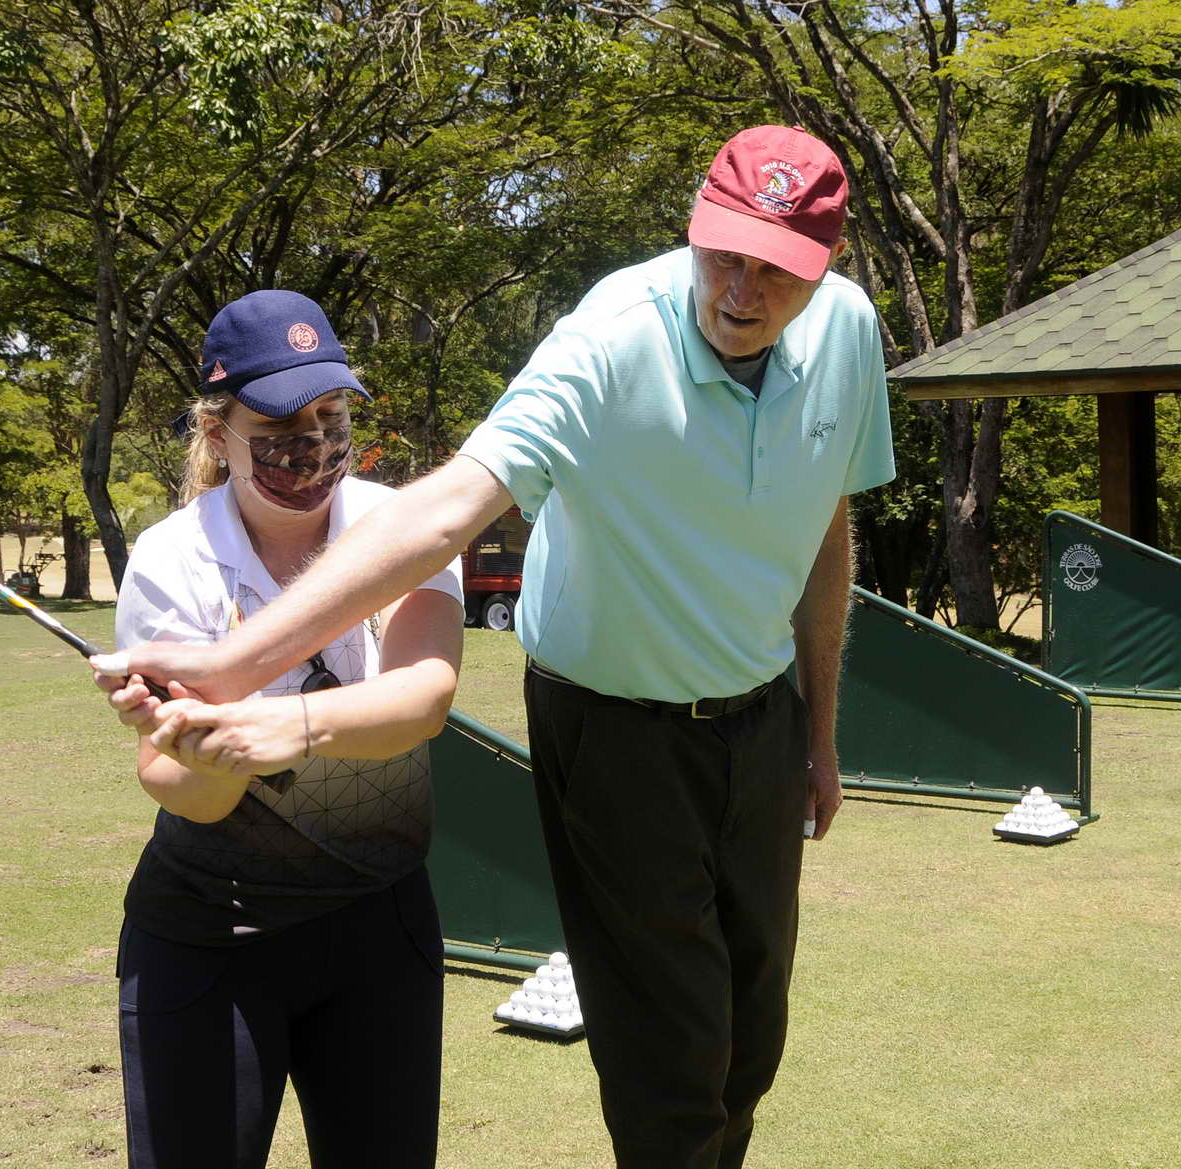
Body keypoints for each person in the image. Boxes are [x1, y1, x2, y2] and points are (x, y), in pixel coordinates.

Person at [102, 125, 897, 1169]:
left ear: (825, 264)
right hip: (616, 725)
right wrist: (228, 674)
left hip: (761, 717)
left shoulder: (848, 330)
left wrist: (818, 731)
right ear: (693, 225)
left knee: (751, 1041)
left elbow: (823, 524)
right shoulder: (608, 337)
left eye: (776, 270)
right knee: (675, 1066)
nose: (741, 293)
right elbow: (442, 515)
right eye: (723, 255)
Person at [89, 289, 466, 1169]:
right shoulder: (172, 556)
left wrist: (280, 725)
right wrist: (204, 753)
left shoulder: (399, 525)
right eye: (281, 422)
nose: (314, 441)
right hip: (211, 930)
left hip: (383, 918)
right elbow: (181, 789)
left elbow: (422, 698)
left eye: (331, 415)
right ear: (216, 431)